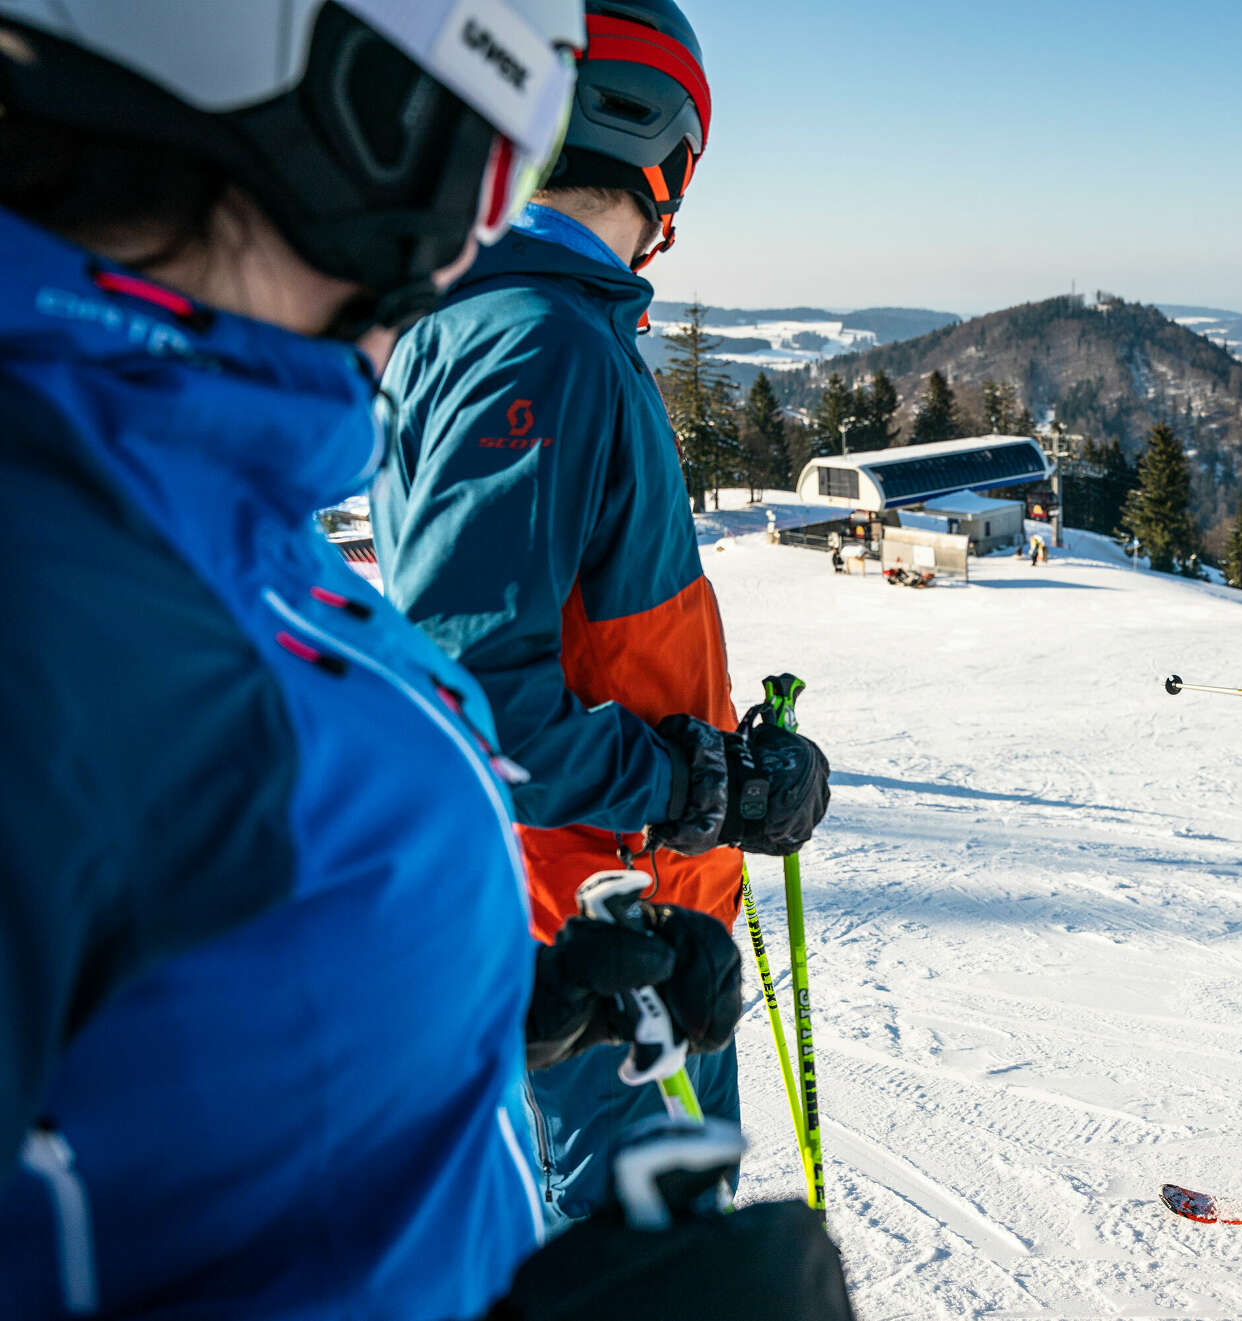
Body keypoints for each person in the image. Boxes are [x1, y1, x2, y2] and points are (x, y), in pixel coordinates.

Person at [0, 3, 849, 1318]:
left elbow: (192, 1053)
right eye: (481, 160)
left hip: (597, 913)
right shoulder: (62, 588)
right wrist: (699, 787)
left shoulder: (193, 503)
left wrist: (515, 1007)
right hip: (602, 862)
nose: (470, 243)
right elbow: (488, 665)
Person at [372, 0, 830, 1224]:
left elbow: (591, 650)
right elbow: (468, 693)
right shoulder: (538, 339)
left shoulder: (535, 320)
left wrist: (723, 766)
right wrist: (692, 785)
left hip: (625, 926)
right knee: (644, 1271)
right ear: (668, 147)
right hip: (603, 946)